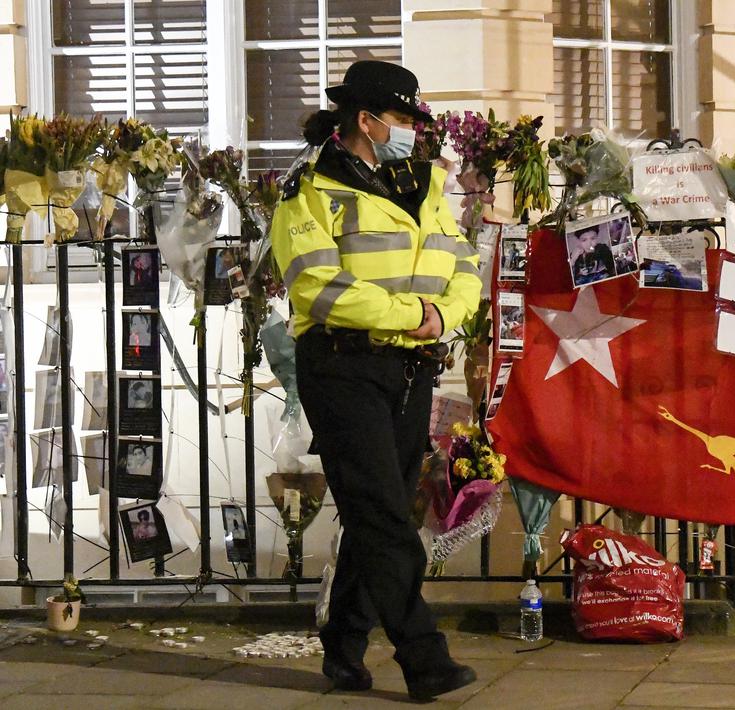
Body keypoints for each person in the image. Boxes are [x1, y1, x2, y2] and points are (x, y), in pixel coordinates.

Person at [270, 60, 480, 701]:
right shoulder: (309, 190)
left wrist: (446, 314)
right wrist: (416, 315)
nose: (416, 131)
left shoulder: (424, 187)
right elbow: (317, 287)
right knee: (386, 517)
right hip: (343, 366)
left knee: (378, 510)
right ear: (366, 121)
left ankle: (344, 646)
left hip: (410, 370)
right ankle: (424, 656)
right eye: (405, 119)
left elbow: (463, 264)